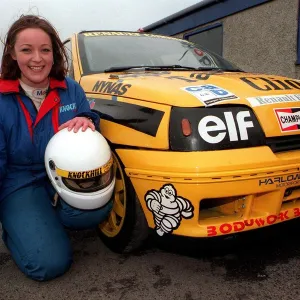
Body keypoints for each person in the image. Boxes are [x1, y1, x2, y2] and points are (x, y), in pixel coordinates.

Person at [0, 14, 113, 281]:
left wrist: (86, 120)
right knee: (49, 265)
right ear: (13, 54)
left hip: (61, 174)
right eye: (26, 50)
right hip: (18, 180)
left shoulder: (70, 88)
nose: (37, 59)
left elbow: (88, 115)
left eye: (45, 50)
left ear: (54, 53)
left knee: (97, 208)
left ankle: (41, 221)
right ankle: (17, 225)